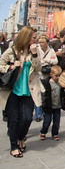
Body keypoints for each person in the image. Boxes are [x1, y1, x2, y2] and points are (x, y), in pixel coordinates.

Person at [0, 26, 43, 158]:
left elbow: (38, 68)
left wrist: (35, 54)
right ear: (26, 37)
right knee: (14, 119)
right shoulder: (13, 50)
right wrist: (11, 66)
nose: (36, 40)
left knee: (27, 118)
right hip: (12, 90)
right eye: (34, 37)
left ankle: (21, 138)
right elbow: (0, 64)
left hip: (29, 90)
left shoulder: (35, 50)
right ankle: (14, 146)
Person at [40, 65, 65, 141]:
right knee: (47, 121)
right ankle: (43, 132)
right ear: (51, 75)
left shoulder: (60, 83)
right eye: (56, 76)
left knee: (57, 121)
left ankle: (55, 133)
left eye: (59, 76)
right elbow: (44, 95)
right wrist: (44, 104)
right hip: (49, 106)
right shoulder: (47, 83)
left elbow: (62, 93)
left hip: (58, 105)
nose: (58, 77)